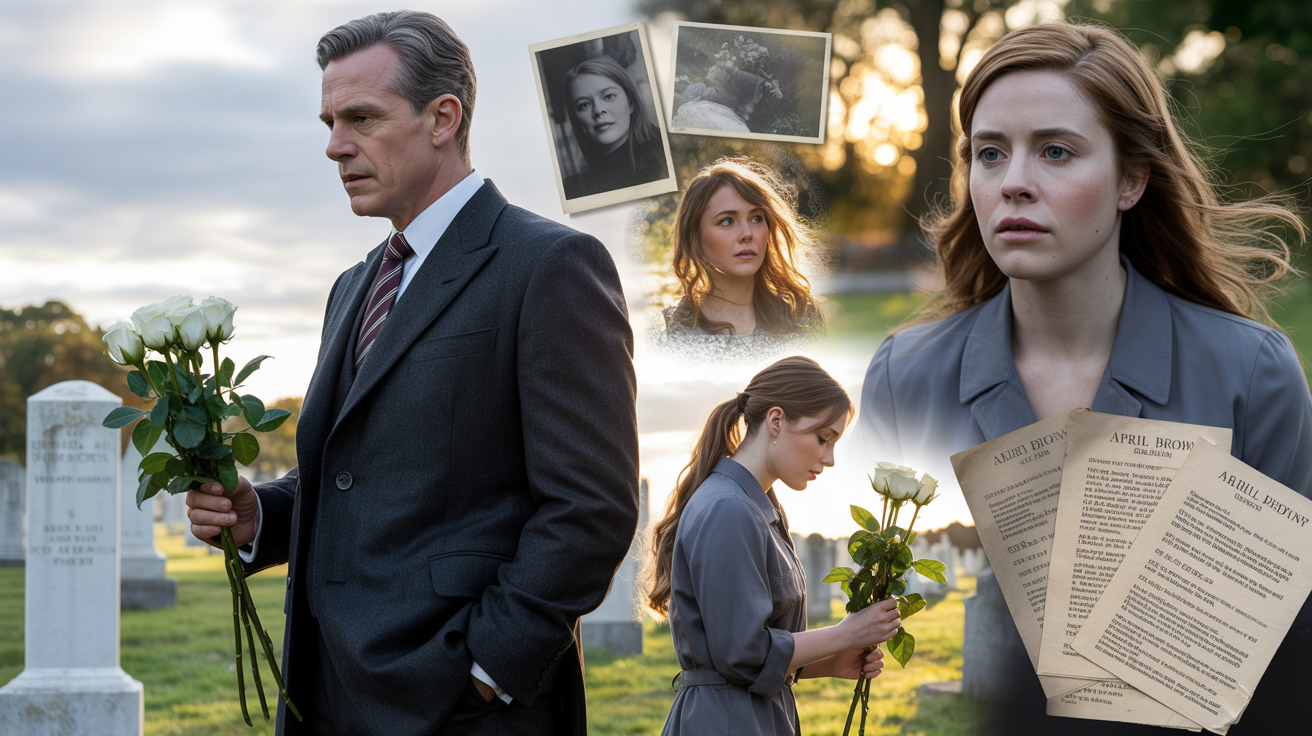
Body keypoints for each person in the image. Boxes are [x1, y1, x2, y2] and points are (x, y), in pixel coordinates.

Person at [185, 11, 639, 736]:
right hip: (326, 694)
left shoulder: (549, 267)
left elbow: (590, 509)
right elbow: (358, 468)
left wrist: (485, 673)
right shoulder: (354, 284)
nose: (336, 146)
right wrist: (260, 516)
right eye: (330, 121)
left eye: (362, 117)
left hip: (461, 707)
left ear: (442, 118)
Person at [857, 21, 1311, 735]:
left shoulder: (1252, 375)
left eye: (1057, 152)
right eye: (990, 154)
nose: (1013, 184)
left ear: (1131, 179)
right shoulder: (901, 377)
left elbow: (1283, 671)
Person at [647, 356, 901, 735]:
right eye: (823, 438)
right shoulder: (728, 508)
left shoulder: (757, 505)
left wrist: (828, 663)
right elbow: (741, 655)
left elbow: (746, 652)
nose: (829, 459)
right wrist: (846, 633)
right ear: (777, 421)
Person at [660, 158, 823, 357]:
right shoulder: (674, 333)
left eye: (756, 219)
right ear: (695, 236)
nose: (747, 233)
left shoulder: (802, 316)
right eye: (727, 221)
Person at [560, 55, 666, 199]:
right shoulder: (575, 189)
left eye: (608, 96)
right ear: (576, 119)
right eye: (584, 104)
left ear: (631, 103)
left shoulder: (667, 153)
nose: (598, 111)